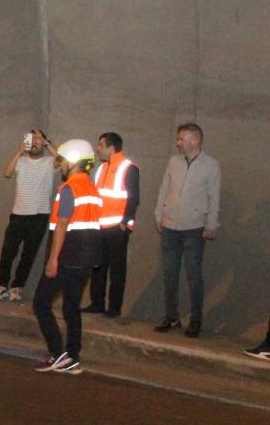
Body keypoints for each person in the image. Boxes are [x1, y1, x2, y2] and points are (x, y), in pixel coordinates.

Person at [33, 139, 102, 375]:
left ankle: (57, 353)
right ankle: (72, 357)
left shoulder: (69, 189)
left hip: (67, 256)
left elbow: (62, 225)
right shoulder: (92, 188)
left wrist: (53, 260)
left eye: (62, 160)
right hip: (86, 258)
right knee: (72, 307)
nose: (60, 164)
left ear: (72, 162)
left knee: (41, 302)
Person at [154, 123, 220, 338]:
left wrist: (211, 224)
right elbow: (164, 188)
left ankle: (195, 319)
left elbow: (214, 197)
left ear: (194, 140)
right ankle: (171, 316)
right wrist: (159, 215)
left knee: (193, 275)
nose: (178, 142)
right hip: (170, 226)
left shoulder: (211, 165)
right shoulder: (174, 162)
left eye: (182, 139)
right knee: (169, 273)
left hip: (194, 228)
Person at [0, 129, 58, 302]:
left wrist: (47, 142)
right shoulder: (21, 161)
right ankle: (2, 285)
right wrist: (19, 151)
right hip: (18, 214)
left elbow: (63, 162)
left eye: (39, 140)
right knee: (8, 252)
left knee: (28, 255)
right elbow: (7, 173)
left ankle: (17, 287)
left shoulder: (48, 161)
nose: (35, 142)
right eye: (33, 139)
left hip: (39, 216)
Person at [82, 132, 139, 317]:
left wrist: (124, 224)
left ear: (111, 147)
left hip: (117, 229)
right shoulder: (101, 168)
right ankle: (96, 303)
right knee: (97, 268)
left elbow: (133, 198)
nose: (97, 149)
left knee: (117, 271)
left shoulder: (128, 168)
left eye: (100, 145)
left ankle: (114, 309)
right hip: (99, 228)